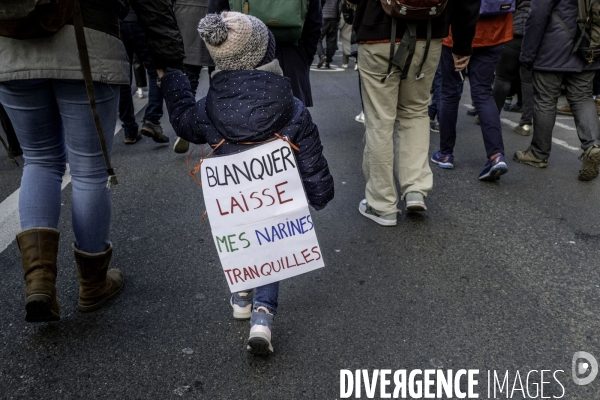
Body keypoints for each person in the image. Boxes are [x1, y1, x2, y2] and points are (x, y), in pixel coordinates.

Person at [159, 12, 334, 354]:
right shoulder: (291, 104)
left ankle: (241, 295)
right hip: (274, 199)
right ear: (266, 53)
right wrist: (320, 192)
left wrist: (174, 81)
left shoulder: (210, 107)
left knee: (242, 242)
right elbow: (310, 153)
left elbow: (182, 122)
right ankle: (262, 317)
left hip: (232, 198)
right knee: (270, 247)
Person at [0, 0, 184, 322]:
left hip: (11, 46)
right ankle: (93, 284)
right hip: (88, 41)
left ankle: (40, 279)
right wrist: (168, 58)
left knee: (40, 160)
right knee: (89, 170)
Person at [348, 0, 480, 226]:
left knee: (381, 120)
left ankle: (382, 205)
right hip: (428, 33)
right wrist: (462, 44)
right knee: (416, 110)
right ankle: (415, 188)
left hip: (377, 30)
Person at [515, 0, 600, 181]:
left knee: (545, 100)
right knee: (583, 97)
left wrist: (527, 54)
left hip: (553, 49)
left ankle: (538, 154)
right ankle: (593, 145)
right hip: (588, 47)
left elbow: (537, 16)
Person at [432, 10, 513, 181]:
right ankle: (496, 156)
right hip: (495, 28)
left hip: (455, 30)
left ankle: (446, 153)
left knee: (449, 91)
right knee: (483, 92)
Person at [209, 0, 322, 107]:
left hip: (240, 56)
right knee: (292, 117)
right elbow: (314, 24)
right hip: (292, 56)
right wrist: (304, 59)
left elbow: (215, 20)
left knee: (236, 115)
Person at [119, 7, 170, 144]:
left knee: (123, 76)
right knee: (156, 72)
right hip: (143, 20)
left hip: (119, 21)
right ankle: (151, 120)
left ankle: (129, 130)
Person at [173, 0, 215, 154]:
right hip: (215, 24)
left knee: (189, 83)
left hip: (186, 23)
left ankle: (187, 125)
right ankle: (218, 128)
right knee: (218, 84)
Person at [491, 0, 534, 137]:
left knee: (502, 78)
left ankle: (491, 117)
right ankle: (526, 124)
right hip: (534, 35)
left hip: (513, 31)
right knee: (528, 81)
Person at [317, 0, 340, 69]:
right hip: (333, 18)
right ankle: (328, 61)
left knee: (318, 38)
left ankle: (322, 55)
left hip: (323, 17)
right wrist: (338, 19)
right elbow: (339, 7)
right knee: (331, 41)